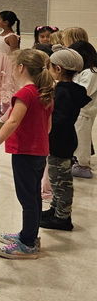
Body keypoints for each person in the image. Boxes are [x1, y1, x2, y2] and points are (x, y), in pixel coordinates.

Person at [0, 49, 53, 259]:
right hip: (39, 151)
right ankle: (30, 234)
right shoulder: (43, 92)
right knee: (33, 196)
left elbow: (13, 121)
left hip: (26, 152)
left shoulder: (25, 93)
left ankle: (27, 243)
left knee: (26, 197)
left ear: (21, 68)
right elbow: (48, 127)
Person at [41, 47, 89, 231]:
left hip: (59, 140)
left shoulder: (62, 92)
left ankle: (62, 217)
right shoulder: (75, 90)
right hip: (66, 138)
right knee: (57, 178)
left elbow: (57, 119)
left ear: (58, 69)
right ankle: (56, 208)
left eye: (50, 67)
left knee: (61, 180)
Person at [69, 40, 97, 178]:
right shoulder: (81, 72)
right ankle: (76, 161)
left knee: (82, 138)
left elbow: (83, 92)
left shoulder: (92, 72)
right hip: (76, 111)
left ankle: (83, 165)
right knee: (76, 137)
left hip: (84, 112)